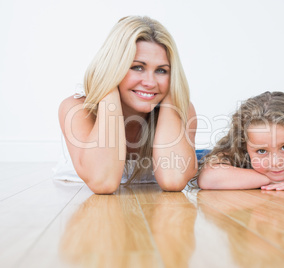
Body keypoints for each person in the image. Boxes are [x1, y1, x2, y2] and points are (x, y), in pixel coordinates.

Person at [55, 16, 198, 194]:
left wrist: (171, 91)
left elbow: (173, 179)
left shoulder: (182, 110)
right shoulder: (76, 109)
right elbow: (103, 182)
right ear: (114, 66)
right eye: (137, 67)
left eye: (162, 70)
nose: (150, 82)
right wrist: (108, 88)